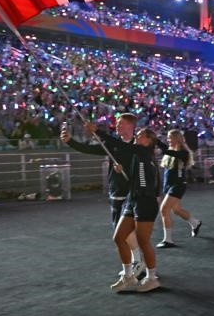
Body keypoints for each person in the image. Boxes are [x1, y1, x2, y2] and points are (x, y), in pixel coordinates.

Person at [62, 114, 146, 282]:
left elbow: (143, 171)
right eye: (117, 123)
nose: (117, 126)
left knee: (124, 231)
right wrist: (70, 141)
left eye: (121, 123)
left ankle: (137, 261)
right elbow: (89, 149)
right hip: (115, 191)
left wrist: (126, 171)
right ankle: (136, 262)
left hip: (131, 193)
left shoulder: (138, 146)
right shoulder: (111, 144)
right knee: (120, 230)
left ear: (131, 126)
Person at [157, 129, 202, 248]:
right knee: (176, 210)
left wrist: (155, 140)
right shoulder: (171, 151)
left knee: (164, 210)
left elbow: (166, 150)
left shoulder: (183, 152)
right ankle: (195, 223)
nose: (168, 140)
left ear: (177, 138)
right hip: (168, 185)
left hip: (178, 185)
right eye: (168, 137)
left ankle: (168, 240)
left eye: (170, 137)